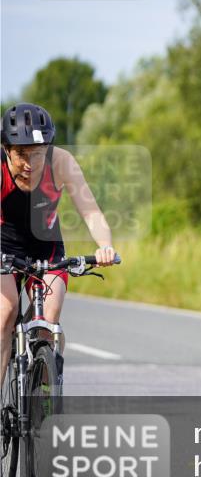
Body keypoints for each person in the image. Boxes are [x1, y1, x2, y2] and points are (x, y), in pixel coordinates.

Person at [1, 103, 118, 388]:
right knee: (6, 312)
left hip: (46, 247)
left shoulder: (62, 163)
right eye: (21, 154)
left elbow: (91, 212)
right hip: (4, 246)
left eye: (38, 154)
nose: (30, 164)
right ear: (6, 150)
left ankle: (44, 395)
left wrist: (105, 246)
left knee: (49, 320)